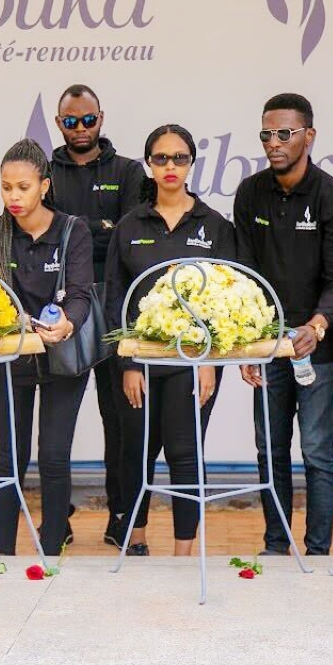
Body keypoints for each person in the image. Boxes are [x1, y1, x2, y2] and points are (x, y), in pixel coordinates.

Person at [105, 124, 235, 556]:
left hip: (193, 362)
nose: (170, 167)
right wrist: (126, 363)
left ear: (191, 164)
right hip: (139, 361)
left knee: (184, 452)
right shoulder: (129, 224)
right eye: (161, 158)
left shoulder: (214, 225)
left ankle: (184, 551)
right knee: (136, 453)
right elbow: (115, 299)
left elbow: (228, 300)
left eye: (179, 158)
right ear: (149, 165)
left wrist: (212, 361)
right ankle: (136, 538)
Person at [234, 93, 333, 557]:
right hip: (267, 344)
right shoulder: (250, 193)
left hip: (317, 346)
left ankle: (320, 552)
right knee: (270, 450)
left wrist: (319, 324)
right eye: (266, 134)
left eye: (285, 133)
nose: (273, 143)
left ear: (309, 135)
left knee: (317, 451)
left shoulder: (332, 197)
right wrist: (251, 340)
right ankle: (276, 546)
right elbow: (245, 272)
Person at [0, 139, 93, 556]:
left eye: (23, 187)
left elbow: (79, 293)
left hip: (63, 356)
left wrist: (68, 323)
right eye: (6, 187)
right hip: (11, 358)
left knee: (54, 456)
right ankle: (4, 555)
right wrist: (21, 324)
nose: (14, 196)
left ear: (44, 185)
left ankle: (50, 554)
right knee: (10, 458)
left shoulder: (72, 229)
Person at [47, 84, 146, 547]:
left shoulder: (128, 172)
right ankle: (57, 517)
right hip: (63, 306)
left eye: (88, 120)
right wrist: (98, 229)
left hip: (116, 305)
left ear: (101, 119)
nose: (80, 128)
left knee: (120, 421)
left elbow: (128, 236)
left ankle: (121, 518)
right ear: (58, 122)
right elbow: (44, 237)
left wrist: (73, 229)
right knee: (58, 421)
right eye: (71, 121)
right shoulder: (44, 172)